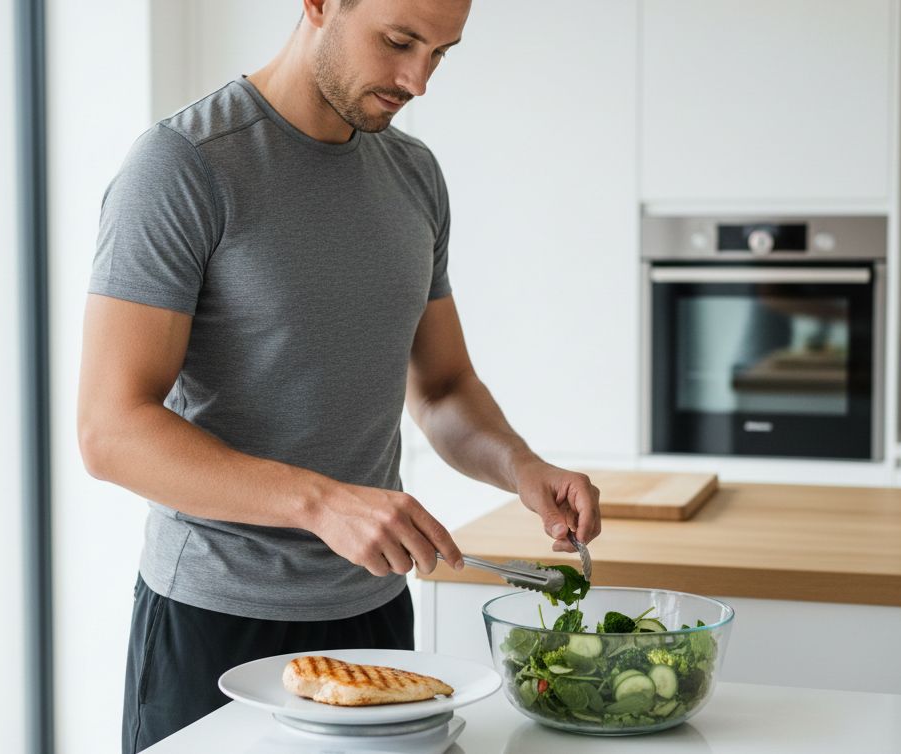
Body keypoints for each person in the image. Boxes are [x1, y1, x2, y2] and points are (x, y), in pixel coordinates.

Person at [76, 0, 602, 751]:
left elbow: (444, 388)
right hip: (217, 623)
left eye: (441, 53)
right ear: (318, 4)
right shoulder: (184, 163)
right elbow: (110, 431)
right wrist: (322, 504)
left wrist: (523, 468)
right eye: (399, 41)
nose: (417, 79)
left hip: (377, 622)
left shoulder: (413, 173)